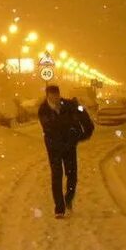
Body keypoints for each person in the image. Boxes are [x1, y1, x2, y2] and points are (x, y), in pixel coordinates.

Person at [37, 84, 93, 219]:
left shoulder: (69, 105)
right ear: (47, 96)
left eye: (57, 96)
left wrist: (83, 133)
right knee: (56, 176)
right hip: (54, 148)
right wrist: (70, 128)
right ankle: (59, 208)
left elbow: (83, 115)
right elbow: (50, 127)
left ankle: (68, 198)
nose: (55, 99)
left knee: (72, 175)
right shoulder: (43, 110)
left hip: (69, 146)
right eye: (52, 96)